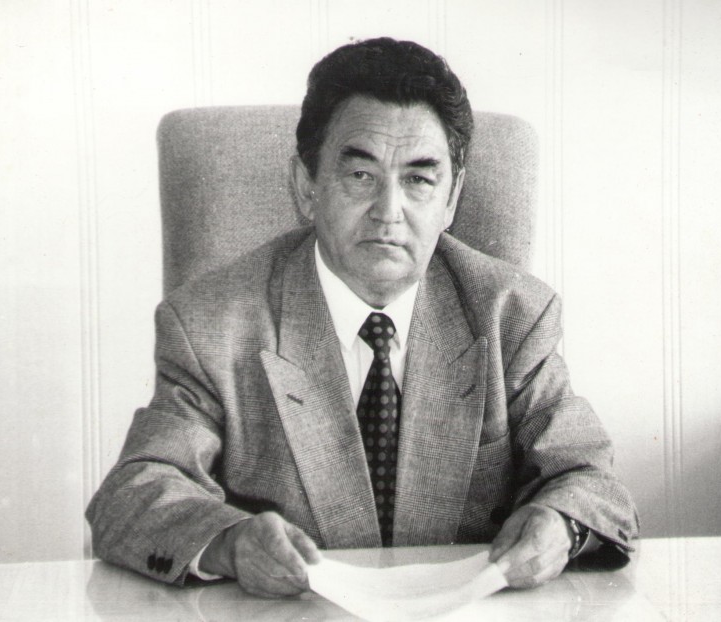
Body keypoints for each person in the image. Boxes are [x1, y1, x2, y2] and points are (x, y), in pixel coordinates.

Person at [86, 37, 638, 598]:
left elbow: (590, 479)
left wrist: (562, 526)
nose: (388, 212)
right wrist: (229, 542)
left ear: (451, 199)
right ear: (307, 187)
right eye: (361, 176)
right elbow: (132, 494)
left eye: (419, 180)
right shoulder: (211, 324)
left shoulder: (511, 315)